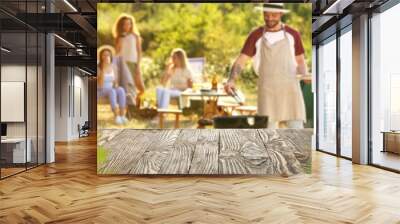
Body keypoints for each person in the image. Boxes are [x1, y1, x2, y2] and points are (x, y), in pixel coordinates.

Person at [224, 3, 307, 129]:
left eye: (273, 15)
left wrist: (305, 75)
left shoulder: (292, 34)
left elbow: (300, 61)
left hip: (290, 89)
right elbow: (241, 60)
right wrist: (231, 80)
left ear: (281, 14)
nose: (269, 18)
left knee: (296, 131)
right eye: (266, 14)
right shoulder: (256, 35)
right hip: (267, 90)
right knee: (267, 134)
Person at [113, 13, 145, 107]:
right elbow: (117, 52)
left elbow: (139, 52)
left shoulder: (136, 37)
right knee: (128, 88)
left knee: (141, 88)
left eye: (129, 23)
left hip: (133, 63)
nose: (127, 26)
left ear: (132, 25)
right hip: (123, 64)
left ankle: (136, 105)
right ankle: (131, 108)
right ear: (121, 25)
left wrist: (138, 65)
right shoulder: (119, 37)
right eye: (125, 24)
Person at [97, 46, 128, 125]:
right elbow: (100, 84)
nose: (106, 56)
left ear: (111, 56)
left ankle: (122, 115)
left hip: (111, 89)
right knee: (112, 91)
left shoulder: (113, 67)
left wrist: (116, 85)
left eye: (108, 55)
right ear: (101, 56)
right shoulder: (98, 67)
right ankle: (116, 116)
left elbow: (115, 82)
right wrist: (103, 68)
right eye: (104, 55)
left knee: (121, 89)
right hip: (100, 90)